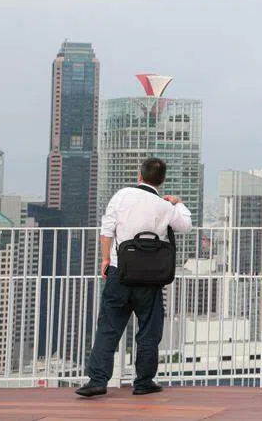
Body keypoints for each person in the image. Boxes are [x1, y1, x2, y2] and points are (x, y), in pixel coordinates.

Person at [77, 157, 193, 398]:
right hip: (150, 278)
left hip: (120, 271)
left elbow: (107, 229)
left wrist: (106, 259)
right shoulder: (165, 206)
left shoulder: (122, 195)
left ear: (140, 176)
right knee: (149, 330)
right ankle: (144, 382)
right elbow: (185, 226)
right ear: (161, 181)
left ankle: (97, 380)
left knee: (109, 326)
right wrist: (178, 203)